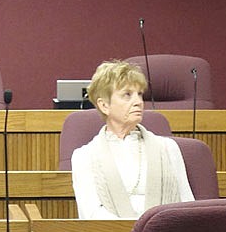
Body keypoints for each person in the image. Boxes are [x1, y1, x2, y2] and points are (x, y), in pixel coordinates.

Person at [71, 60, 194, 219]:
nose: (138, 102)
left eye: (140, 94)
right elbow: (91, 214)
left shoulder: (168, 148)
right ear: (104, 106)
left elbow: (186, 206)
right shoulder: (84, 157)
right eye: (127, 95)